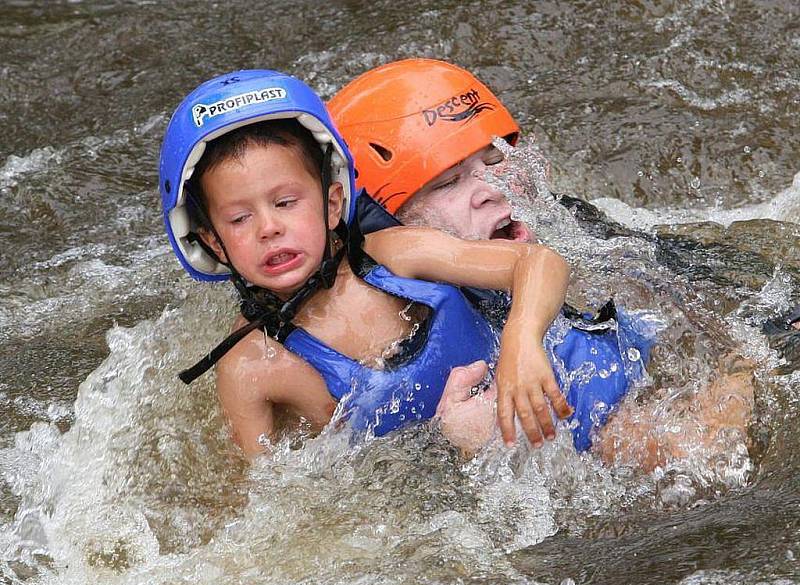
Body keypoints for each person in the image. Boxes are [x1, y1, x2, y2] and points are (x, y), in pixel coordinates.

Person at [328, 58, 755, 466]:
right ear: (387, 221)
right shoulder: (386, 331)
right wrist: (458, 449)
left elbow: (725, 283)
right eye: (448, 183)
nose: (493, 189)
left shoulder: (570, 227)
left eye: (495, 159)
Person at [158, 69, 572, 458]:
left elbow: (539, 263)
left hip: (551, 409)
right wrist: (454, 447)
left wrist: (523, 340)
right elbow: (275, 505)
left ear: (333, 203)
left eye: (285, 203)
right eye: (239, 219)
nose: (268, 228)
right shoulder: (251, 368)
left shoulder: (394, 256)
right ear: (212, 242)